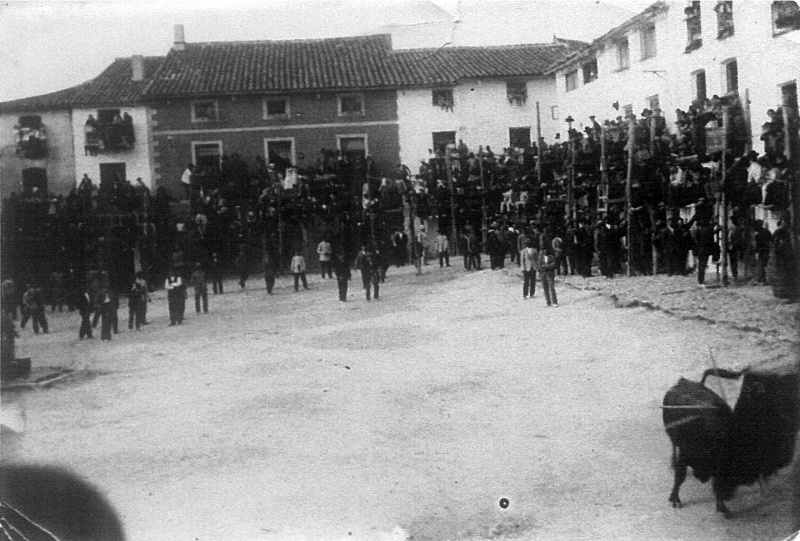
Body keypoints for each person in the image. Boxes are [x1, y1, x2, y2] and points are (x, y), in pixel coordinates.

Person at [753, 220, 771, 284]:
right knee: (763, 264)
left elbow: (758, 243)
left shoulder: (757, 233)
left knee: (761, 264)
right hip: (766, 249)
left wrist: (755, 251)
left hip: (761, 250)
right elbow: (770, 239)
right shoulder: (767, 231)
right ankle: (761, 278)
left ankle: (762, 279)